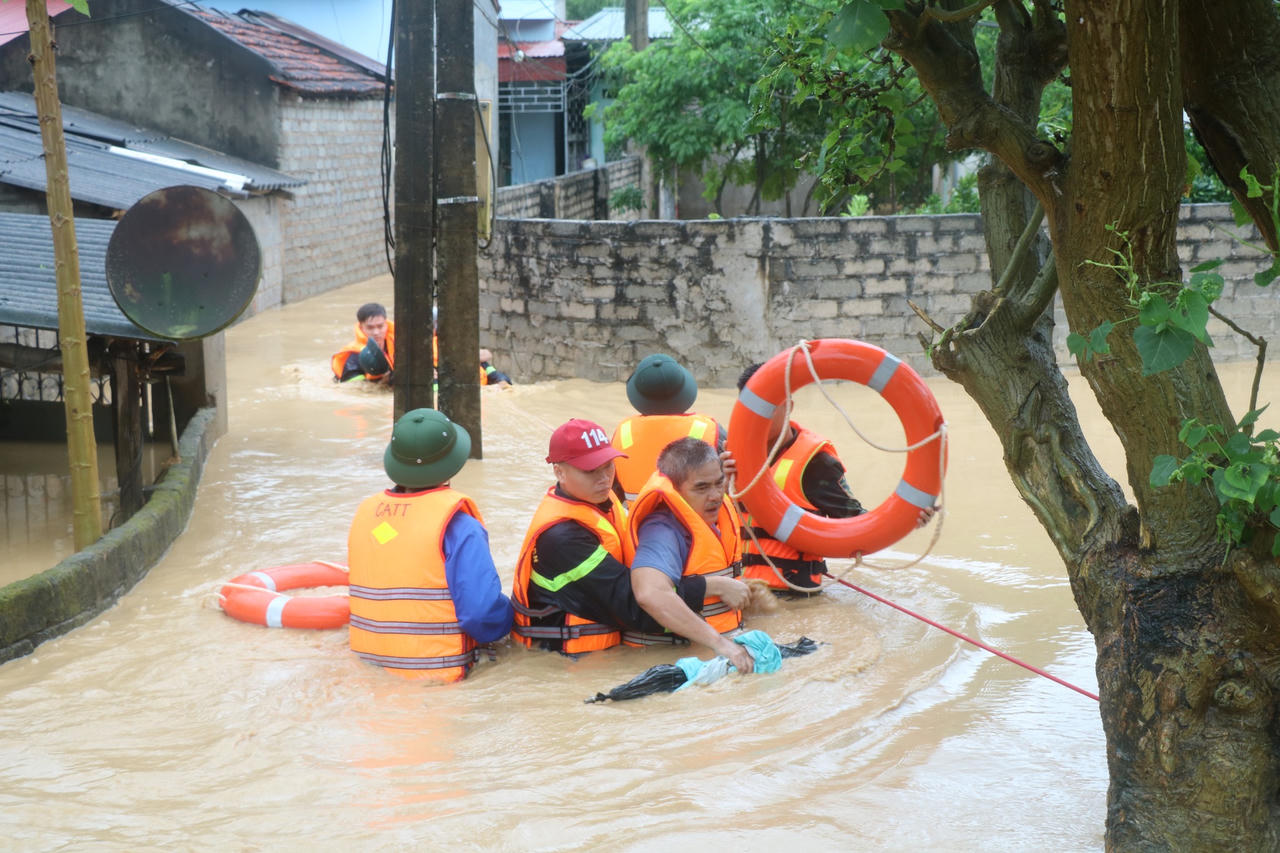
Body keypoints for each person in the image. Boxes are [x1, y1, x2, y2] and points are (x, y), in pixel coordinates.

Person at [512, 418, 748, 658]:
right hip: (564, 661)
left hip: (598, 651)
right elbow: (635, 604)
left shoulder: (604, 500)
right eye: (591, 471)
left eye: (608, 466)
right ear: (559, 472)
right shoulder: (562, 537)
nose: (604, 478)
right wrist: (712, 587)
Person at [734, 362, 935, 592]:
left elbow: (856, 521)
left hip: (793, 595)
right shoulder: (727, 457)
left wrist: (907, 518)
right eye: (750, 408)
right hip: (738, 592)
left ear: (788, 406)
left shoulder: (816, 463)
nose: (757, 416)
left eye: (766, 407)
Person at [347, 408, 513, 682]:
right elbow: (481, 616)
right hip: (438, 680)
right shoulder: (461, 527)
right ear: (453, 463)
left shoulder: (366, 514)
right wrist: (513, 617)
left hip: (370, 671)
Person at [627, 437, 754, 673]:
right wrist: (721, 644)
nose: (716, 495)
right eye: (702, 487)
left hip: (711, 653)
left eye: (719, 483)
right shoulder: (663, 530)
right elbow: (649, 592)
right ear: (675, 490)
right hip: (671, 663)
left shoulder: (711, 516)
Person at [610, 353, 721, 504]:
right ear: (685, 390)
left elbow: (612, 490)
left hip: (639, 520)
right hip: (694, 521)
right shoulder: (710, 429)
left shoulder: (623, 432)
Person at [331, 302, 395, 384]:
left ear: (386, 325)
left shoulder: (398, 343)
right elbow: (356, 391)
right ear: (361, 328)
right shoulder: (353, 358)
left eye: (380, 326)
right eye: (370, 327)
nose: (376, 332)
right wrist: (382, 383)